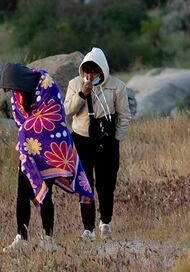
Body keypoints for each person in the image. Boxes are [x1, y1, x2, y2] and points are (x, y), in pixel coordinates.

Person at [0, 62, 94, 252]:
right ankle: (21, 238)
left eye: (14, 88)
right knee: (22, 192)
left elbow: (53, 116)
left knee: (46, 194)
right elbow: (21, 121)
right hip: (29, 150)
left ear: (21, 82)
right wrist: (26, 137)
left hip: (51, 148)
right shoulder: (16, 95)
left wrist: (27, 132)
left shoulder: (47, 83)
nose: (13, 92)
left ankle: (48, 238)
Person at [64, 47, 131, 241]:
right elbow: (68, 110)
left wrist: (116, 138)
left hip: (106, 142)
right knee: (85, 185)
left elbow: (124, 115)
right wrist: (82, 94)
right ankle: (88, 228)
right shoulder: (75, 84)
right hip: (81, 140)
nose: (89, 75)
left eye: (94, 71)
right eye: (86, 70)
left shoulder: (117, 87)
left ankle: (106, 223)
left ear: (102, 70)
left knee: (106, 184)